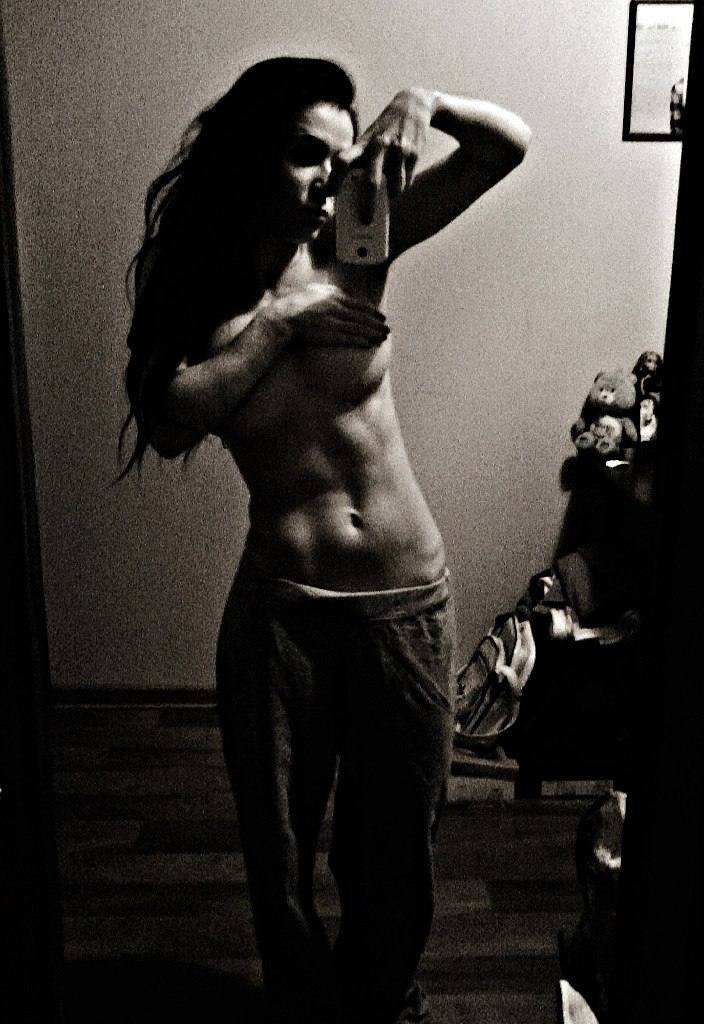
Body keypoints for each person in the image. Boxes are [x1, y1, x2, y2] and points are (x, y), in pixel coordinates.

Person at [119, 56, 531, 1024]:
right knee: (278, 853)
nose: (330, 179)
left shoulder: (358, 235)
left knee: (396, 851)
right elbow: (171, 420)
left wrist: (424, 101)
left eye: (342, 160)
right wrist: (282, 321)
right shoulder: (196, 282)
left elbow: (505, 147)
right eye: (308, 154)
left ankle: (382, 1005)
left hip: (404, 604)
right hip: (283, 616)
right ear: (251, 154)